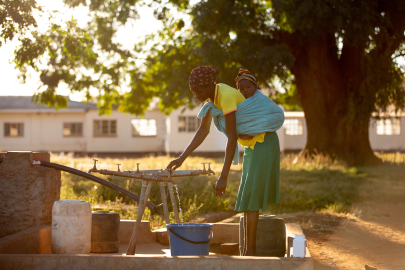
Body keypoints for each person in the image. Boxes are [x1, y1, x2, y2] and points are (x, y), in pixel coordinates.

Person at [167, 65, 282, 256]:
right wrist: (181, 158)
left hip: (264, 141)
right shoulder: (213, 99)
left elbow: (232, 138)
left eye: (200, 91)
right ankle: (247, 251)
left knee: (251, 197)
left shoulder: (226, 97)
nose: (197, 95)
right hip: (253, 144)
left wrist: (223, 176)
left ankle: (250, 254)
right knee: (246, 197)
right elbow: (203, 131)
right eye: (194, 92)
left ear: (210, 84)